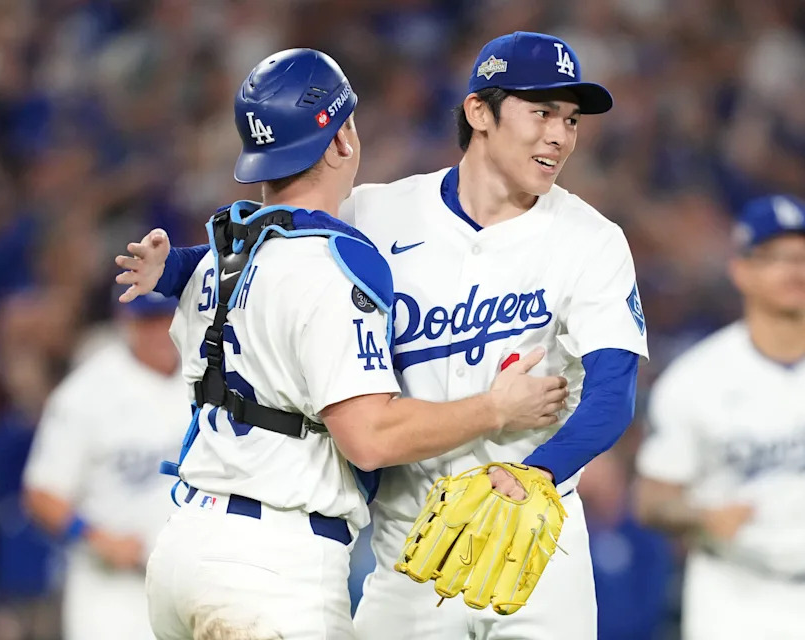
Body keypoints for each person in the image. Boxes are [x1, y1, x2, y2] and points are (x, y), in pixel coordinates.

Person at [119, 32, 647, 639]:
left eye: (572, 119)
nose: (559, 135)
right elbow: (276, 253)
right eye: (541, 112)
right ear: (479, 112)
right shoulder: (376, 213)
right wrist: (176, 269)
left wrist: (541, 474)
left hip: (535, 544)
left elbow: (614, 390)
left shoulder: (591, 238)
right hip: (409, 547)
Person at [633, 195, 805, 640]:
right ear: (741, 270)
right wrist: (700, 517)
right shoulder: (694, 379)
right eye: (777, 257)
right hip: (734, 596)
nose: (796, 270)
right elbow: (652, 501)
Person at [22, 291, 189, 640]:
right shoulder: (85, 393)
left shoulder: (204, 375)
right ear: (125, 320)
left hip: (190, 580)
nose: (160, 330)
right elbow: (41, 493)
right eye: (148, 320)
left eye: (166, 317)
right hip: (112, 591)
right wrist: (98, 537)